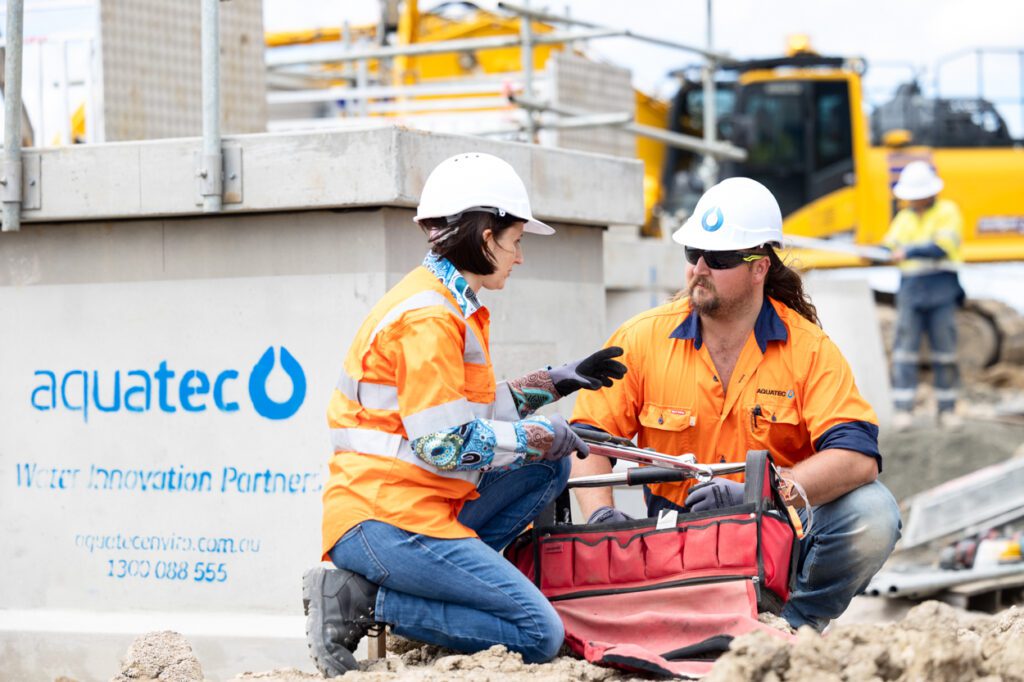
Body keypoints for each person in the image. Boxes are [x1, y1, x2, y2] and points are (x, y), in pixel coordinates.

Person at [304, 152, 627, 677]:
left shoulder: (449, 304)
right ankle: (363, 600)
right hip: (385, 516)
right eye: (516, 241)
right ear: (485, 238)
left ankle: (459, 591)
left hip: (412, 504)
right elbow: (444, 444)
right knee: (537, 633)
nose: (519, 256)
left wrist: (558, 381)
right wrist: (542, 434)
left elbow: (473, 409)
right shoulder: (430, 316)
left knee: (549, 468)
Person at [570, 177, 901, 632]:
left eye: (719, 258)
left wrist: (765, 489)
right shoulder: (642, 339)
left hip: (777, 535)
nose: (699, 269)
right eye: (693, 254)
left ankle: (792, 624)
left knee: (875, 514)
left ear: (759, 267)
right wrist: (602, 516)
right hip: (678, 540)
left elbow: (858, 457)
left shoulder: (807, 349)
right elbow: (586, 440)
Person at [882, 161, 965, 430]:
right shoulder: (905, 217)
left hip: (941, 288)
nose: (912, 201)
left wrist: (908, 252)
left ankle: (947, 409)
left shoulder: (947, 211)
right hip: (910, 289)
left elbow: (942, 246)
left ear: (930, 193)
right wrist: (878, 251)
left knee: (945, 351)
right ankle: (903, 409)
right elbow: (890, 245)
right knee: (904, 350)